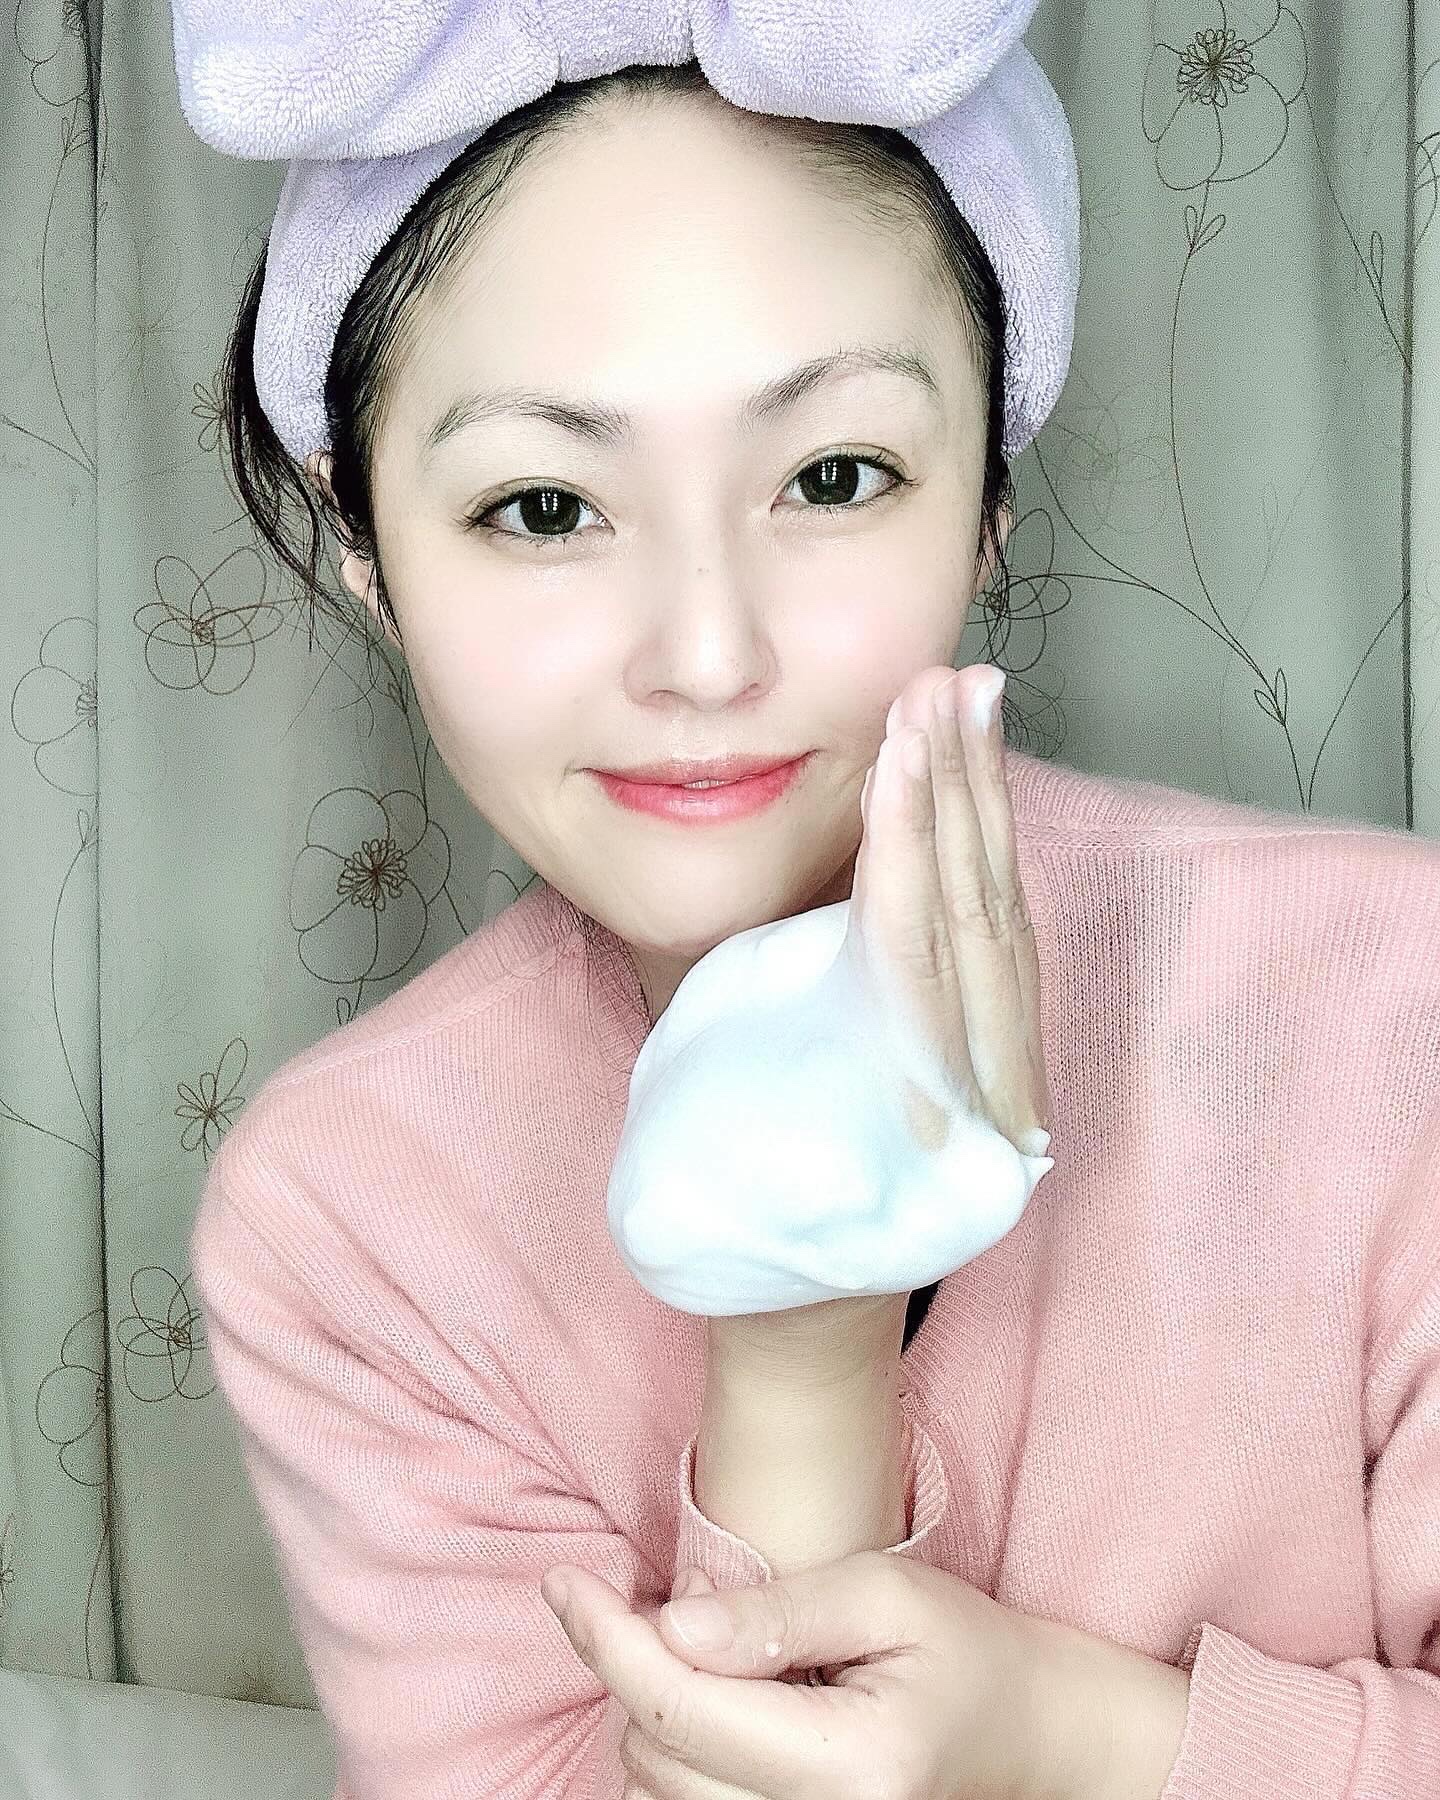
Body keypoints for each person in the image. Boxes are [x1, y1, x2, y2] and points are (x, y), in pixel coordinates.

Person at [187, 49, 1440, 1800]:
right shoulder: (349, 1219)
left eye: (836, 477)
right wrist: (798, 1349)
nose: (707, 655)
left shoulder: (1396, 1008)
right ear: (366, 546)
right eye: (543, 508)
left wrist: (1075, 1738)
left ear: (989, 495)